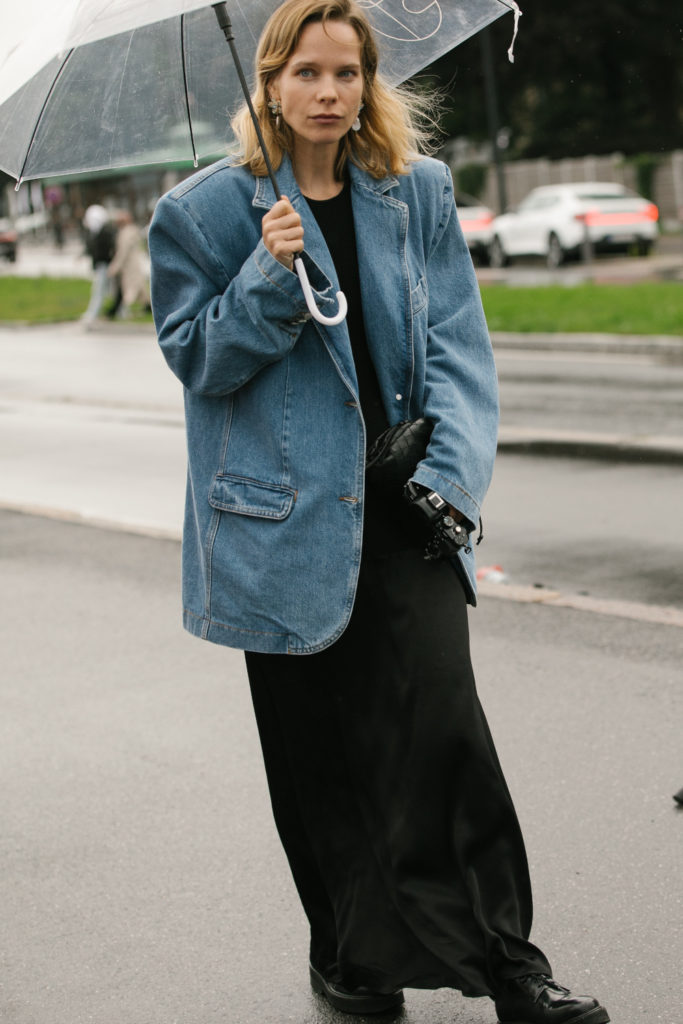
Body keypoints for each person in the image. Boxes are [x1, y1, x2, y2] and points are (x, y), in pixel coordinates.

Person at [148, 3, 609, 1021]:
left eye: (346, 71)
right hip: (278, 526)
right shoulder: (203, 215)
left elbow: (458, 352)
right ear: (267, 83)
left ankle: (509, 968)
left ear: (367, 82)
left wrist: (448, 481)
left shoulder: (418, 195)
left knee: (444, 739)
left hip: (404, 510)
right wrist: (266, 275)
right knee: (319, 762)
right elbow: (199, 363)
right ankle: (350, 957)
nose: (328, 92)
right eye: (306, 72)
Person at [107, 209, 150, 318]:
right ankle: (148, 306)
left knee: (130, 289)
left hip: (130, 266)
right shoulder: (132, 231)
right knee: (140, 288)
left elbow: (122, 252)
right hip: (135, 264)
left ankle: (123, 309)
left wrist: (114, 267)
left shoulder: (126, 233)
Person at [81, 204, 116, 324]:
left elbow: (109, 250)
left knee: (101, 290)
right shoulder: (94, 233)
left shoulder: (105, 233)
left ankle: (93, 313)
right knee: (106, 290)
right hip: (100, 265)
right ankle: (119, 311)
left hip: (105, 265)